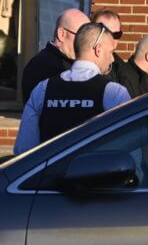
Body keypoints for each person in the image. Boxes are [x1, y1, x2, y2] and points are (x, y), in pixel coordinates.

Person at [13, 22, 130, 154]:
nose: (112, 59)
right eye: (111, 52)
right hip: (94, 173)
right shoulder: (114, 93)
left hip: (51, 172)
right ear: (98, 50)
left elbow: (23, 149)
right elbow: (127, 147)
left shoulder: (43, 89)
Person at [20, 8, 90, 101]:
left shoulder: (76, 63)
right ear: (62, 34)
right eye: (82, 36)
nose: (86, 43)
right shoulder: (41, 67)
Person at [91, 9, 127, 83]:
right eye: (106, 33)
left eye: (116, 35)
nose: (111, 39)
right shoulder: (78, 66)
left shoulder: (123, 70)